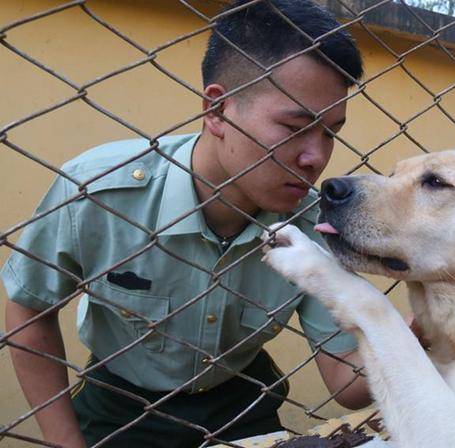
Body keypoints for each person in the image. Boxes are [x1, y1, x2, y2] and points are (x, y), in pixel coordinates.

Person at [2, 1, 371, 447]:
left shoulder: (312, 225)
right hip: (118, 402)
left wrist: (419, 331)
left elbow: (345, 383)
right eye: (296, 127)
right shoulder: (96, 190)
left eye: (331, 132)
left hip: (242, 401)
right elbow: (29, 309)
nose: (317, 158)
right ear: (217, 110)